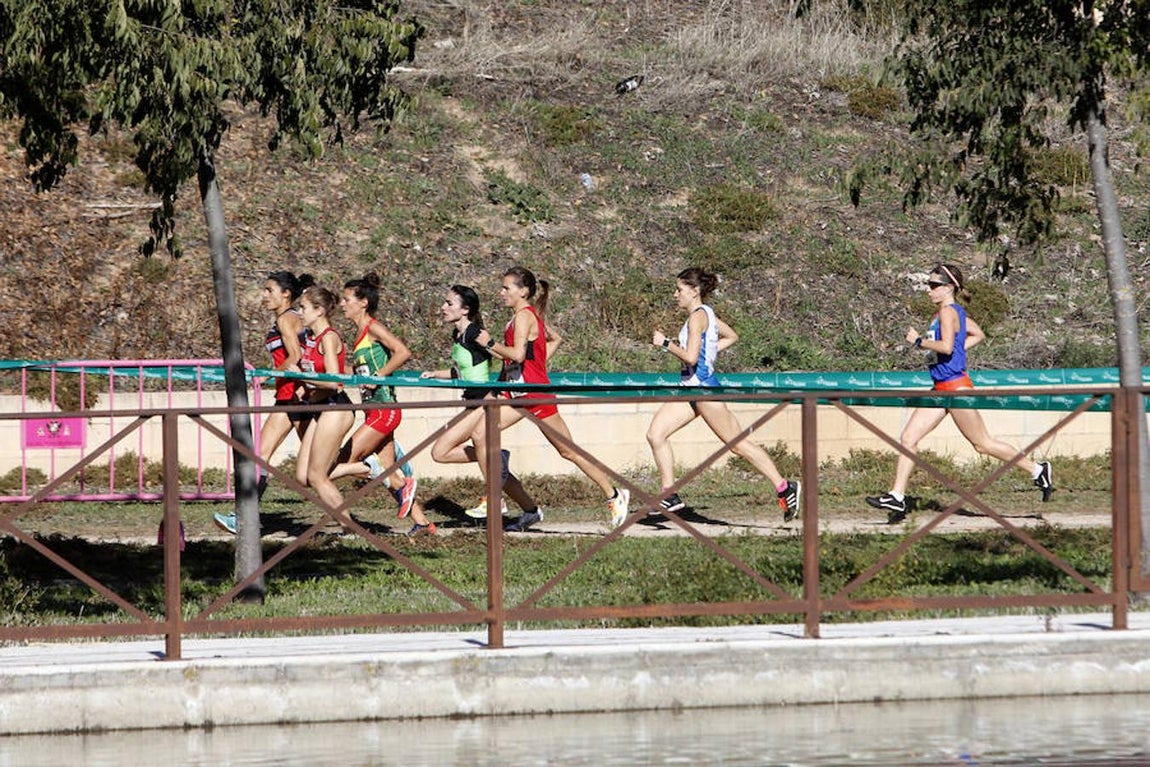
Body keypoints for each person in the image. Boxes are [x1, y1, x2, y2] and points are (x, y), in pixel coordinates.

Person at [431, 267, 631, 531]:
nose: (501, 293)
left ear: (523, 291)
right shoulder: (518, 318)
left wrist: (490, 344)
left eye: (506, 288)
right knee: (481, 434)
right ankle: (495, 493)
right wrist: (501, 384)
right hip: (516, 394)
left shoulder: (525, 316)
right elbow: (525, 356)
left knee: (567, 450)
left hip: (535, 396)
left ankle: (614, 494)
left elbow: (517, 355)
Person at [865, 263, 1054, 523]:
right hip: (940, 388)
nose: (929, 289)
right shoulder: (952, 312)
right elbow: (978, 334)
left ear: (949, 287)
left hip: (955, 387)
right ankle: (897, 497)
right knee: (908, 438)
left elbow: (945, 347)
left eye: (934, 285)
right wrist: (957, 350)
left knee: (982, 444)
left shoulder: (947, 311)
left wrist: (919, 341)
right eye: (929, 284)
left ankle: (1038, 470)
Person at [646, 267, 801, 522]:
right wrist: (710, 351)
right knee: (656, 433)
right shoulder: (706, 314)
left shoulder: (697, 318)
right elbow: (732, 337)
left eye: (679, 289)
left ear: (694, 291)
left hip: (704, 390)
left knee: (738, 445)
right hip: (691, 389)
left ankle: (785, 487)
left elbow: (691, 357)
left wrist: (665, 344)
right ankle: (669, 495)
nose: (675, 294)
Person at [326, 272, 437, 535]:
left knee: (346, 461)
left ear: (363, 302)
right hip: (373, 412)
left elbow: (403, 352)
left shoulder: (373, 328)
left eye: (347, 299)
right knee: (388, 472)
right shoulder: (359, 334)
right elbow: (363, 371)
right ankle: (423, 524)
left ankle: (394, 481)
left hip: (384, 410)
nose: (342, 304)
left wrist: (378, 376)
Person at [214, 270, 312, 535]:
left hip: (295, 396)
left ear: (286, 294)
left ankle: (371, 469)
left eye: (270, 290)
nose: (264, 295)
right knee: (263, 455)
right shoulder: (287, 318)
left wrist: (268, 375)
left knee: (315, 466)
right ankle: (245, 518)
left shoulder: (286, 319)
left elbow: (295, 355)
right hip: (288, 395)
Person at [293, 284, 358, 531]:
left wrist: (300, 377)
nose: (299, 312)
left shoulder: (329, 338)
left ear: (319, 310)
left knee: (317, 476)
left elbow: (334, 381)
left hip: (336, 408)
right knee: (303, 476)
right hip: (320, 407)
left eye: (303, 308)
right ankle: (365, 467)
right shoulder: (311, 339)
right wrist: (305, 388)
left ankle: (349, 528)